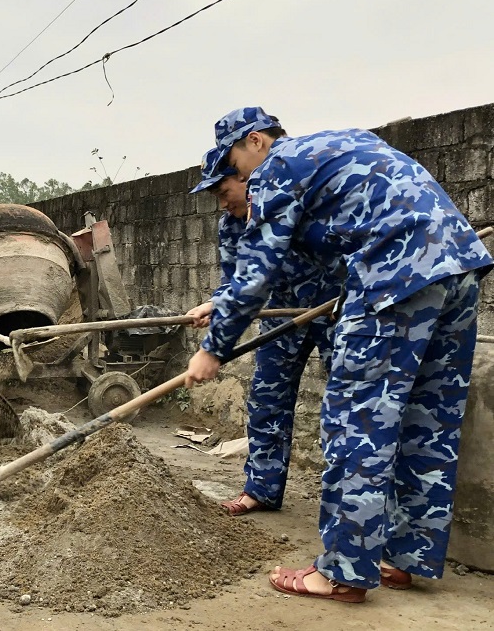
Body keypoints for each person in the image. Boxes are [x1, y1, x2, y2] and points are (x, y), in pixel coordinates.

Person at [186, 106, 493, 602]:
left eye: (235, 166)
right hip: (456, 268)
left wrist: (214, 349)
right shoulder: (340, 143)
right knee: (427, 421)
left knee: (359, 421)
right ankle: (403, 557)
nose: (240, 178)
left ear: (257, 142)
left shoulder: (277, 167)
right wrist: (224, 303)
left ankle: (342, 572)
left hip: (392, 277)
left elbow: (257, 271)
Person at [186, 143, 338, 516]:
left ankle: (345, 514)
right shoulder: (231, 225)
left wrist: (214, 348)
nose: (222, 204)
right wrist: (216, 303)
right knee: (267, 399)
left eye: (224, 192)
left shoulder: (285, 197)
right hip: (279, 314)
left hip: (333, 306)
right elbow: (235, 279)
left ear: (246, 176)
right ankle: (262, 490)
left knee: (345, 403)